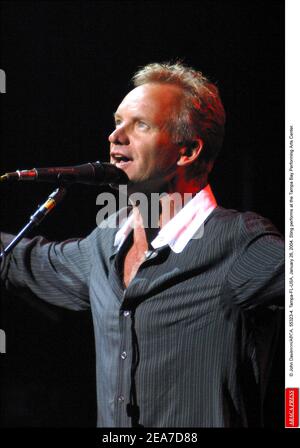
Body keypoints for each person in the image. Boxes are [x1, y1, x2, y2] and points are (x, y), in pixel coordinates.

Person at [0, 62, 284, 427]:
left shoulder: (239, 244)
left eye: (141, 125)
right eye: (118, 122)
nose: (116, 136)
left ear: (187, 152)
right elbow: (21, 260)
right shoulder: (105, 244)